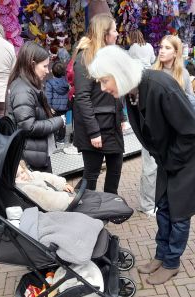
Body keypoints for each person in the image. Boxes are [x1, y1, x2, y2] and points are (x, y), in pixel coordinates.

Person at [88, 45, 195, 285]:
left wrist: (172, 160)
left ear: (119, 72)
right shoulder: (133, 91)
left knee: (179, 214)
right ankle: (161, 255)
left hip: (186, 160)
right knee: (163, 208)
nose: (103, 88)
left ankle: (172, 262)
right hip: (169, 160)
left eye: (105, 80)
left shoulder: (160, 87)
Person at [72, 13, 127, 195]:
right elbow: (82, 97)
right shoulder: (85, 59)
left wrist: (123, 116)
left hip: (112, 125)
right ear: (104, 33)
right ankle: (84, 211)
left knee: (116, 169)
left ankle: (110, 208)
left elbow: (117, 90)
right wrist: (94, 131)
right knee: (92, 174)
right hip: (94, 127)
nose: (117, 34)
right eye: (114, 30)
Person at [6, 41, 65, 172]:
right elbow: (28, 126)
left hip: (34, 152)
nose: (47, 70)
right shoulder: (23, 90)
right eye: (44, 66)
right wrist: (58, 121)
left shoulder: (28, 85)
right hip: (30, 157)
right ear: (32, 65)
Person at [128, 29, 156, 217]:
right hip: (146, 85)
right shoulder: (149, 48)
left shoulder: (131, 49)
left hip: (138, 86)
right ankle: (148, 203)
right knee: (152, 163)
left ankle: (147, 203)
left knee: (151, 164)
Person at [46, 61, 69, 144]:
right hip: (64, 107)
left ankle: (54, 138)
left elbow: (48, 96)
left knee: (54, 122)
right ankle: (61, 138)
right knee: (63, 122)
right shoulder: (66, 83)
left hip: (53, 108)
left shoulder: (50, 83)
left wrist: (49, 107)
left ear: (52, 71)